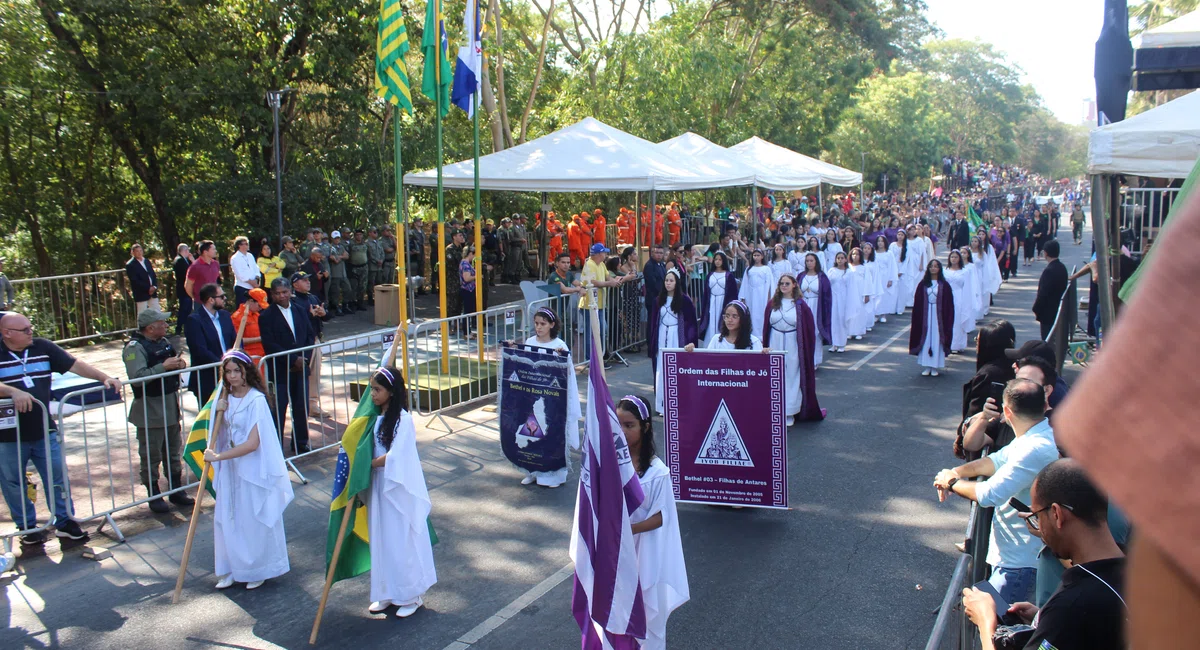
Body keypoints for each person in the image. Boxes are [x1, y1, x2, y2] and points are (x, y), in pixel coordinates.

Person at [961, 459, 1126, 650]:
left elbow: (1078, 617)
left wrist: (985, 622)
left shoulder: (1071, 606)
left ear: (1056, 514)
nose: (1038, 527)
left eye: (1037, 516)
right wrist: (1043, 619)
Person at [933, 379, 1059, 604]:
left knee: (997, 633)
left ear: (1007, 411)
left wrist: (951, 483)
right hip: (1013, 559)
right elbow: (993, 461)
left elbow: (990, 494)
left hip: (1019, 564)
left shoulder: (1035, 448)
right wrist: (954, 472)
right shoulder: (1033, 438)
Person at [0, 312, 121, 544]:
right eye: (24, 329)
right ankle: (27, 526)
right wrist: (12, 391)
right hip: (8, 435)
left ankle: (64, 521)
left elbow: (75, 364)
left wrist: (103, 377)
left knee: (57, 476)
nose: (30, 332)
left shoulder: (42, 347)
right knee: (13, 481)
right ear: (7, 333)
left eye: (30, 327)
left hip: (44, 428)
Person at [204, 351, 293, 591]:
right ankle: (231, 567)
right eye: (228, 372)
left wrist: (219, 456)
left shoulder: (256, 401)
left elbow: (253, 443)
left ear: (246, 372)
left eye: (237, 371)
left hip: (252, 468)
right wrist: (217, 413)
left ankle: (257, 568)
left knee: (252, 517)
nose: (232, 377)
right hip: (230, 470)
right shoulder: (224, 399)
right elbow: (218, 435)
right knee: (228, 517)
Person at [615, 394, 689, 650]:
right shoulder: (612, 465)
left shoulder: (658, 472)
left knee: (647, 612)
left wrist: (629, 530)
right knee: (617, 608)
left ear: (645, 428)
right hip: (617, 549)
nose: (622, 431)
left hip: (644, 550)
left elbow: (662, 516)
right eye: (618, 425)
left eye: (629, 425)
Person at [362, 366, 437, 616]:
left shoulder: (403, 419)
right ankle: (386, 591)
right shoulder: (374, 418)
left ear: (391, 392)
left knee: (400, 539)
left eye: (377, 389)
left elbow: (397, 455)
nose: (372, 394)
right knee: (381, 538)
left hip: (397, 485)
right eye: (372, 389)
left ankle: (409, 595)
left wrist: (369, 465)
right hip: (379, 486)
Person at [124, 309, 192, 513]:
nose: (166, 325)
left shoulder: (164, 343)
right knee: (151, 453)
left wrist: (179, 364)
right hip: (149, 408)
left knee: (173, 450)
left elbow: (173, 362)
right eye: (162, 323)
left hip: (169, 403)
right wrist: (163, 367)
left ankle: (176, 489)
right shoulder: (134, 348)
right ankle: (153, 493)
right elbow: (137, 377)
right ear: (150, 327)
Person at [519, 309, 582, 486]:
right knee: (532, 432)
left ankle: (553, 475)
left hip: (553, 399)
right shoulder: (530, 341)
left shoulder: (559, 345)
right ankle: (531, 470)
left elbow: (568, 374)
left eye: (543, 324)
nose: (538, 327)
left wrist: (562, 359)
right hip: (535, 397)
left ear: (552, 325)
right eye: (536, 323)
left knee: (552, 435)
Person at [259, 278, 316, 455]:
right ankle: (276, 446)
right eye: (277, 293)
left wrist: (303, 359)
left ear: (290, 291)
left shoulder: (300, 310)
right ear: (272, 295)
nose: (282, 296)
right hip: (280, 371)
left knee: (301, 406)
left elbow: (309, 336)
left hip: (301, 368)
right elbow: (269, 344)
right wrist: (292, 360)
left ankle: (301, 442)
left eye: (284, 292)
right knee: (279, 408)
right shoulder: (266, 316)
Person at [762, 274, 823, 426]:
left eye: (787, 283)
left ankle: (789, 411)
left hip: (793, 345)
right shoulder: (772, 304)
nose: (784, 286)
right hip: (774, 342)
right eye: (781, 283)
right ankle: (774, 409)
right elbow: (766, 327)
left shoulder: (801, 305)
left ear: (794, 285)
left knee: (792, 376)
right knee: (775, 376)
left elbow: (808, 330)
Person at [648, 269, 698, 415]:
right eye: (666, 280)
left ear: (677, 283)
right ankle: (662, 404)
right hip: (662, 336)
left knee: (676, 368)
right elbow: (653, 323)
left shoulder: (684, 300)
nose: (668, 283)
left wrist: (691, 341)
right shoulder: (658, 300)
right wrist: (652, 342)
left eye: (671, 280)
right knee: (661, 369)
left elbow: (691, 323)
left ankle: (678, 403)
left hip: (677, 337)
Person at [579, 243, 631, 364]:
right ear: (598, 254)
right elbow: (590, 282)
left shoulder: (601, 264)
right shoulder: (589, 265)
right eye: (604, 252)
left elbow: (608, 277)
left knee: (602, 330)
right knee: (591, 333)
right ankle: (590, 360)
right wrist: (609, 284)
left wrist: (616, 281)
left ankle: (599, 358)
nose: (606, 255)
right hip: (589, 305)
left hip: (600, 304)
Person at [184, 283, 235, 405]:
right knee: (211, 419)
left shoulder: (225, 315)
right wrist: (222, 364)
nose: (225, 299)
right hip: (207, 379)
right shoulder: (194, 320)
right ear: (211, 300)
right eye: (222, 296)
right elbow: (200, 350)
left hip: (230, 375)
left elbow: (235, 340)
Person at [909, 259, 954, 377]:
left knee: (937, 338)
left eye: (936, 266)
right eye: (931, 266)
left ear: (939, 269)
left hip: (939, 317)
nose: (933, 268)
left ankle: (934, 366)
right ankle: (927, 365)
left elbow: (949, 304)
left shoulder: (944, 285)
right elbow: (918, 302)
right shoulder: (923, 284)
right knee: (926, 337)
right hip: (926, 315)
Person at [687, 300, 764, 352]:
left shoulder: (754, 342)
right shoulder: (716, 340)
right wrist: (693, 351)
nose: (729, 320)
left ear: (743, 319)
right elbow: (706, 362)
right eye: (727, 316)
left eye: (734, 316)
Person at [798, 252, 832, 366]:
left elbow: (827, 296)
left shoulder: (822, 277)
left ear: (816, 262)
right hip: (804, 305)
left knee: (816, 332)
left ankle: (815, 360)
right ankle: (804, 359)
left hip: (817, 306)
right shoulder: (801, 276)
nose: (809, 263)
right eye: (807, 261)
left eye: (811, 261)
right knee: (803, 331)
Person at [942, 250, 977, 353]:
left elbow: (968, 287)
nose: (953, 259)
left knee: (957, 320)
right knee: (947, 320)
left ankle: (957, 344)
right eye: (952, 257)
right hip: (947, 296)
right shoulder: (945, 271)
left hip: (959, 297)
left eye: (956, 257)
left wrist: (968, 301)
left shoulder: (964, 272)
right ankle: (946, 342)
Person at [1032, 240, 1068, 340]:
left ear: (1046, 253)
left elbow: (1043, 293)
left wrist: (1036, 308)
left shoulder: (1049, 271)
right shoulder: (1062, 267)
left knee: (1047, 338)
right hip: (1057, 308)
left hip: (1048, 311)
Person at [701, 251, 739, 340]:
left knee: (721, 320)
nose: (717, 261)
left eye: (720, 260)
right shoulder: (710, 275)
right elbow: (706, 292)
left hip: (723, 302)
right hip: (711, 302)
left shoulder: (728, 275)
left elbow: (732, 292)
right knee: (711, 321)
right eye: (716, 259)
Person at [742, 249, 774, 338]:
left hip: (762, 296)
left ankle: (762, 335)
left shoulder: (766, 269)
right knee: (751, 314)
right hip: (751, 296)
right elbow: (745, 283)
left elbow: (770, 284)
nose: (756, 257)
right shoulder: (749, 269)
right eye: (754, 255)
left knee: (761, 314)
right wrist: (743, 297)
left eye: (758, 255)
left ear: (762, 257)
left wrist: (769, 297)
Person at [230, 287, 268, 361]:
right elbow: (236, 340)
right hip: (249, 357)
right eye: (259, 305)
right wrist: (259, 339)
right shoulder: (237, 317)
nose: (261, 308)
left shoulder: (257, 315)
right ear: (250, 301)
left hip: (261, 356)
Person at [125, 243, 161, 313]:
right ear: (133, 252)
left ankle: (159, 324)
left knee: (157, 311)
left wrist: (154, 286)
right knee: (142, 313)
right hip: (141, 292)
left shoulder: (146, 261)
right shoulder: (130, 264)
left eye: (140, 251)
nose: (139, 253)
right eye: (137, 251)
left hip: (152, 292)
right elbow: (134, 280)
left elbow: (153, 275)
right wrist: (148, 288)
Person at [872, 235, 899, 320]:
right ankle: (875, 313)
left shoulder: (889, 253)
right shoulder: (874, 253)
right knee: (875, 294)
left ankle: (883, 314)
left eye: (882, 241)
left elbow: (893, 266)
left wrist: (891, 279)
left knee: (884, 296)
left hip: (885, 276)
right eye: (878, 241)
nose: (880, 243)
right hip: (875, 277)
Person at [229, 236, 259, 306]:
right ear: (238, 246)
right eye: (243, 244)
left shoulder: (250, 255)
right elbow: (240, 274)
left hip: (253, 287)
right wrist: (251, 282)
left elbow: (256, 268)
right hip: (242, 287)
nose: (245, 246)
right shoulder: (235, 258)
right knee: (242, 310)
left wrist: (257, 279)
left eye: (247, 244)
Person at [327, 231, 351, 316]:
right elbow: (334, 260)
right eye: (335, 238)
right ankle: (336, 307)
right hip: (335, 273)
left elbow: (347, 256)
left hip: (343, 273)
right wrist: (341, 256)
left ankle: (345, 305)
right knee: (335, 291)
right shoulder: (330, 247)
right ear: (332, 239)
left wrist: (339, 256)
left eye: (338, 238)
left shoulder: (341, 247)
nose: (337, 240)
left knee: (348, 289)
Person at [172, 244, 194, 335]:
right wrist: (193, 262)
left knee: (187, 309)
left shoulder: (185, 260)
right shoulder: (179, 260)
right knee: (184, 309)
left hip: (186, 289)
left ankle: (185, 327)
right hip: (183, 289)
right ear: (184, 251)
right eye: (187, 250)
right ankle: (179, 328)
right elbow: (189, 272)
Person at [347, 229, 370, 311]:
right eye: (357, 235)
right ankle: (352, 303)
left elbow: (369, 254)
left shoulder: (365, 244)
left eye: (360, 234)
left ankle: (360, 303)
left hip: (364, 267)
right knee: (354, 286)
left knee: (362, 286)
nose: (359, 236)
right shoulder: (350, 244)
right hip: (354, 268)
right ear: (355, 235)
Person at [459, 245, 478, 338]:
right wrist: (477, 276)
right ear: (470, 254)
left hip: (469, 289)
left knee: (469, 311)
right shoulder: (465, 265)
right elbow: (466, 278)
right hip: (467, 290)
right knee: (467, 311)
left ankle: (468, 331)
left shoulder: (466, 264)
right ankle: (466, 333)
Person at [366, 227, 385, 304]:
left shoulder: (378, 242)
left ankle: (379, 298)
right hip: (372, 266)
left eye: (376, 232)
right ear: (370, 233)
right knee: (371, 283)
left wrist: (381, 260)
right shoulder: (367, 243)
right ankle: (370, 298)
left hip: (379, 266)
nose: (376, 233)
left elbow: (382, 253)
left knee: (379, 282)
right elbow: (369, 255)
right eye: (374, 232)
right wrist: (377, 261)